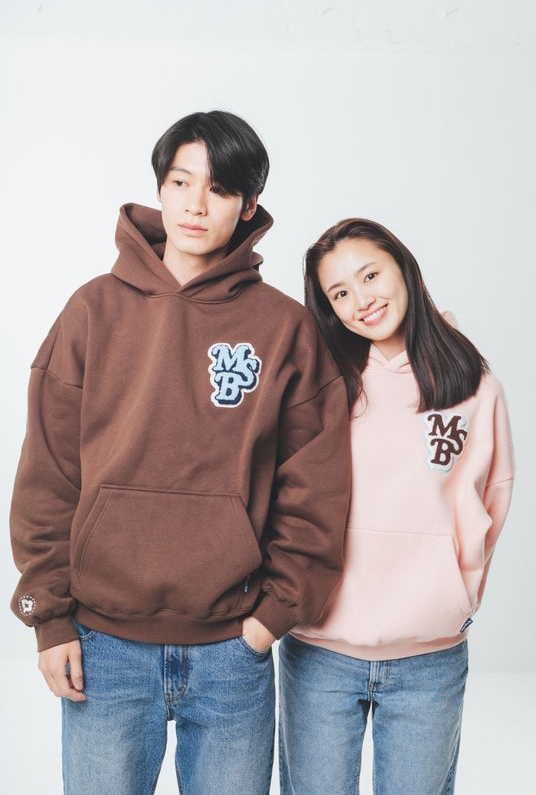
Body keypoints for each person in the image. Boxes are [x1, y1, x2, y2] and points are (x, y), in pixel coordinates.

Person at [9, 111, 350, 795]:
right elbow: (50, 473)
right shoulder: (92, 311)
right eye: (180, 181)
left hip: (232, 651)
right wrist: (49, 620)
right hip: (102, 646)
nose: (195, 204)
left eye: (219, 189)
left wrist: (272, 617)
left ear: (249, 205)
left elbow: (315, 484)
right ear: (160, 189)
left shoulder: (284, 327)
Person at [278, 218, 514, 794]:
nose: (362, 301)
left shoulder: (472, 383)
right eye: (340, 293)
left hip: (429, 658)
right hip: (319, 651)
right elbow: (285, 496)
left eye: (370, 275)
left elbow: (493, 497)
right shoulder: (320, 384)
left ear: (403, 268)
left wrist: (455, 595)